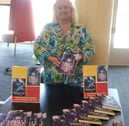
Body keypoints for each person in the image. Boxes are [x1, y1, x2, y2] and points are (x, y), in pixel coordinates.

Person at [34, 0, 95, 86]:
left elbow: (90, 48)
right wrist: (49, 57)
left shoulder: (81, 30)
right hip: (52, 77)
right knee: (52, 99)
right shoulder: (48, 28)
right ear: (55, 11)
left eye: (66, 7)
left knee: (73, 99)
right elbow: (37, 47)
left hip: (74, 78)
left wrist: (80, 56)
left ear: (71, 10)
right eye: (59, 8)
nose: (63, 10)